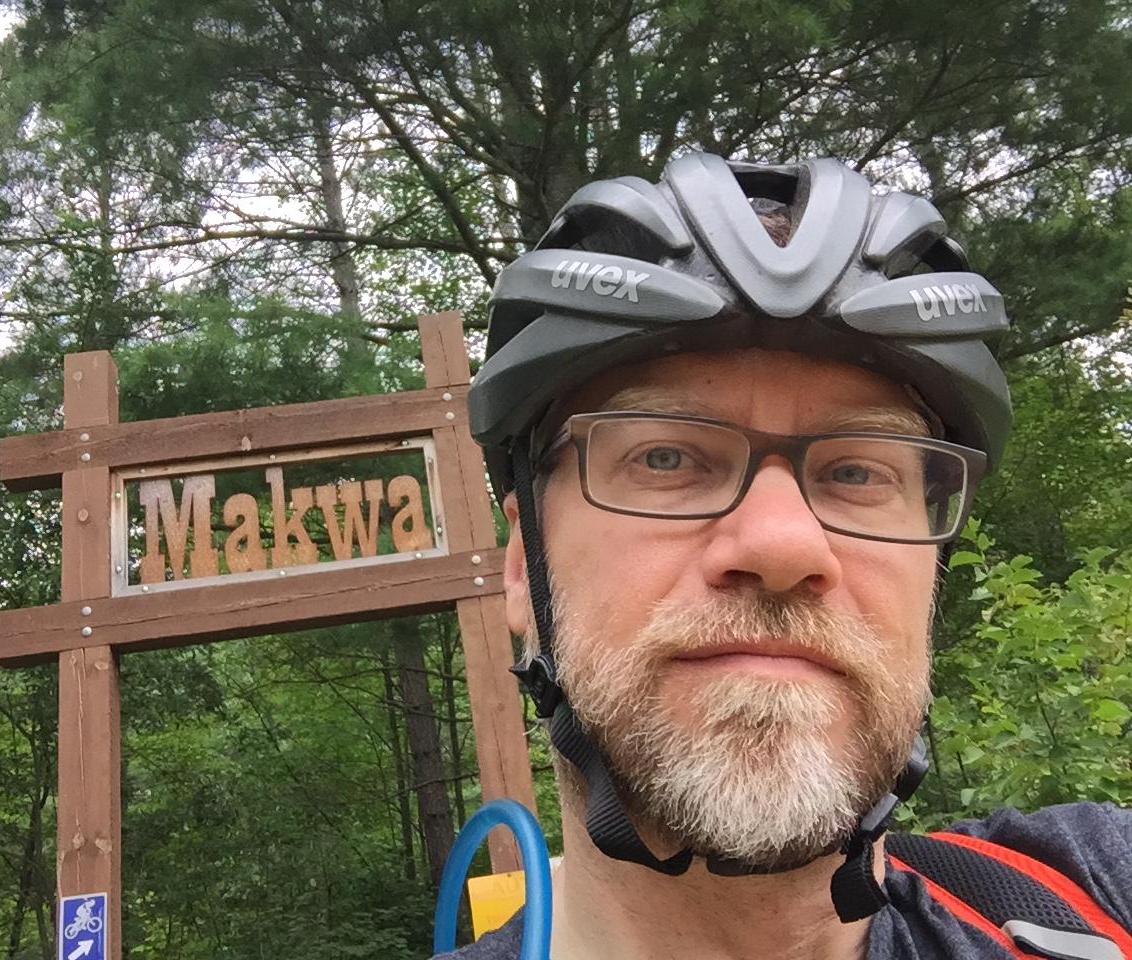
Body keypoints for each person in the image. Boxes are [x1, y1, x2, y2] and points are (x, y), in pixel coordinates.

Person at [434, 153, 1132, 959]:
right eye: (665, 458)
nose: (782, 543)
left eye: (859, 471)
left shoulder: (1093, 894)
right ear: (524, 567)